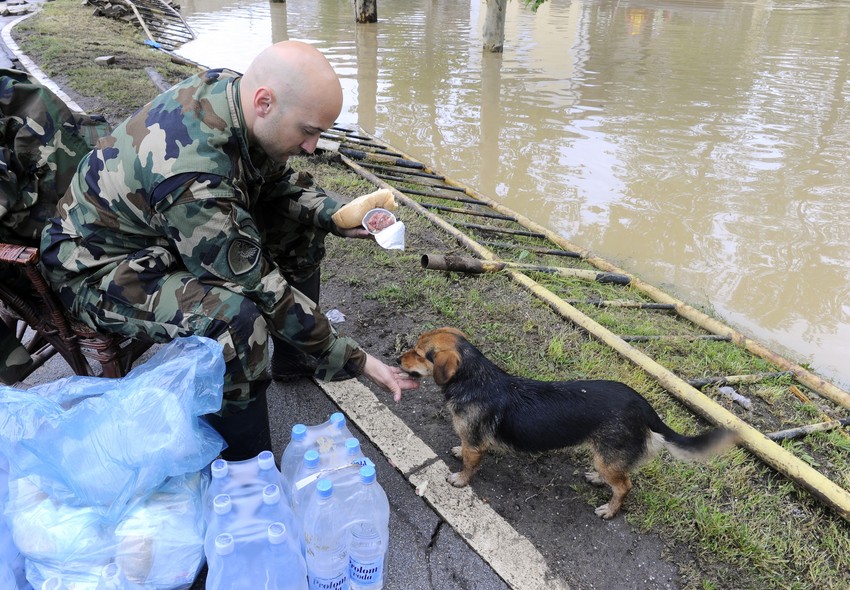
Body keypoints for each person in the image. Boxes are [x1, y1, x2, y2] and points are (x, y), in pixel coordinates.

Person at [39, 41, 420, 460]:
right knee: (235, 321)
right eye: (308, 131)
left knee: (297, 229)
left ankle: (295, 359)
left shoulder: (232, 96)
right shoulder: (194, 177)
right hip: (98, 267)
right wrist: (358, 360)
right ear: (264, 102)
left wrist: (335, 215)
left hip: (161, 234)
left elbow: (273, 187)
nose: (312, 146)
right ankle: (244, 466)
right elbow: (259, 286)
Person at [0, 67, 110, 383]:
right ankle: (10, 361)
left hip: (73, 244)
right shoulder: (12, 84)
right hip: (112, 183)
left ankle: (9, 361)